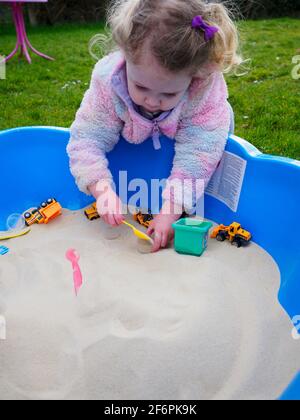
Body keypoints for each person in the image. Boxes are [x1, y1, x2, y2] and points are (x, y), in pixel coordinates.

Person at [67, 0, 241, 252]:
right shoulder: (108, 83)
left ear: (194, 77)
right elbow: (86, 139)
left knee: (208, 166)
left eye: (169, 94)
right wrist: (102, 189)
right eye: (140, 87)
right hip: (136, 150)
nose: (152, 101)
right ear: (125, 56)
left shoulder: (204, 91)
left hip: (198, 147)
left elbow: (199, 155)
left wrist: (170, 212)